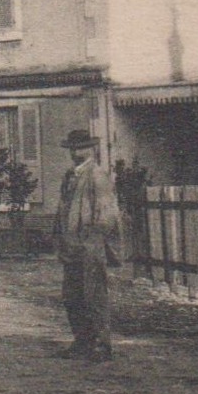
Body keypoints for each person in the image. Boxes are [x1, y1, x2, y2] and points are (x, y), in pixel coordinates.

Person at [52, 129, 121, 362]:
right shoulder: (69, 176)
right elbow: (63, 210)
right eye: (72, 148)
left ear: (90, 149)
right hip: (70, 246)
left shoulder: (97, 176)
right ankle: (82, 341)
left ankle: (102, 345)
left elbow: (107, 215)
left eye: (81, 147)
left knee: (94, 295)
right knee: (72, 297)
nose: (75, 152)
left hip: (90, 245)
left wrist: (91, 240)